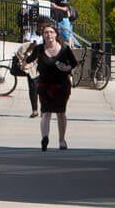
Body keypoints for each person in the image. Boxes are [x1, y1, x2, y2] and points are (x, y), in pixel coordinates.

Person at [18, 21, 79, 150]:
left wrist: (66, 68)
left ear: (56, 34)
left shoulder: (64, 49)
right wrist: (23, 66)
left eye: (51, 32)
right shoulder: (39, 49)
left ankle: (61, 141)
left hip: (61, 86)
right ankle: (45, 138)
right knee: (46, 113)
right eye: (46, 32)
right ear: (43, 35)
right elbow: (28, 60)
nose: (48, 35)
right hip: (45, 86)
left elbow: (74, 63)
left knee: (61, 113)